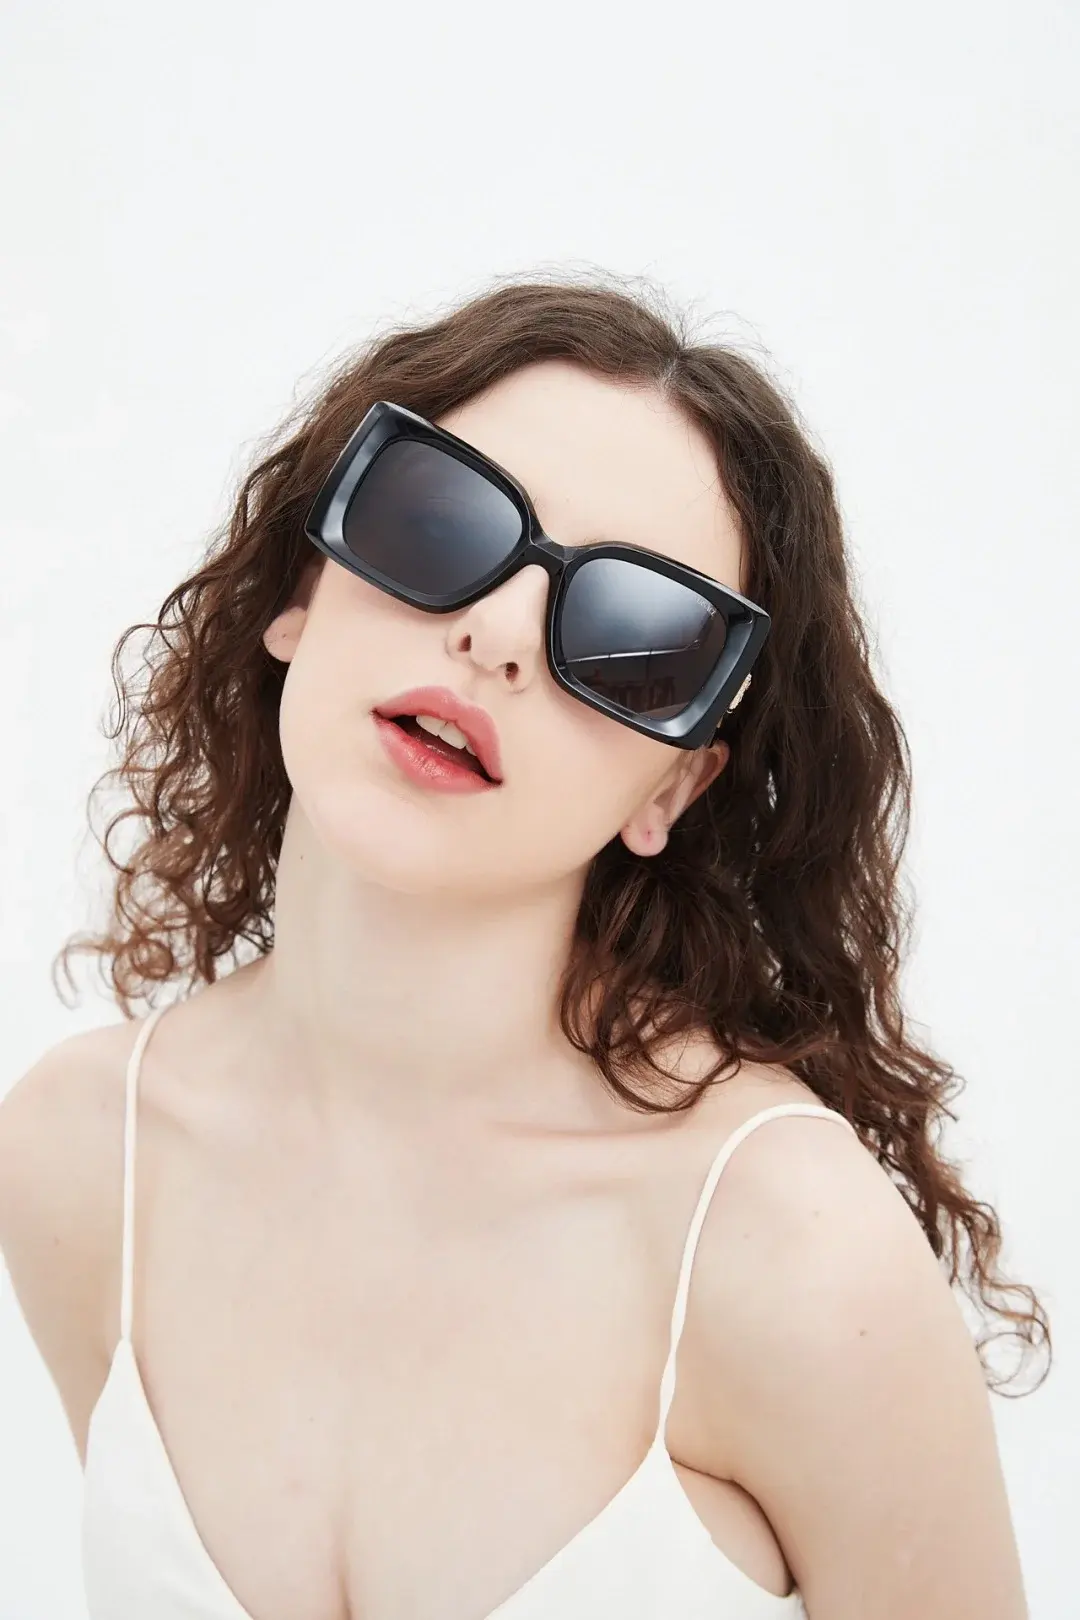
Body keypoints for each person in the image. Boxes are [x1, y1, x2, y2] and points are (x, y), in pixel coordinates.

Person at [0, 274, 1046, 1620]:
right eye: (437, 523)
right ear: (301, 591)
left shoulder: (785, 1251)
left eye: (632, 634)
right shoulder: (85, 1156)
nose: (495, 635)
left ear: (675, 786)